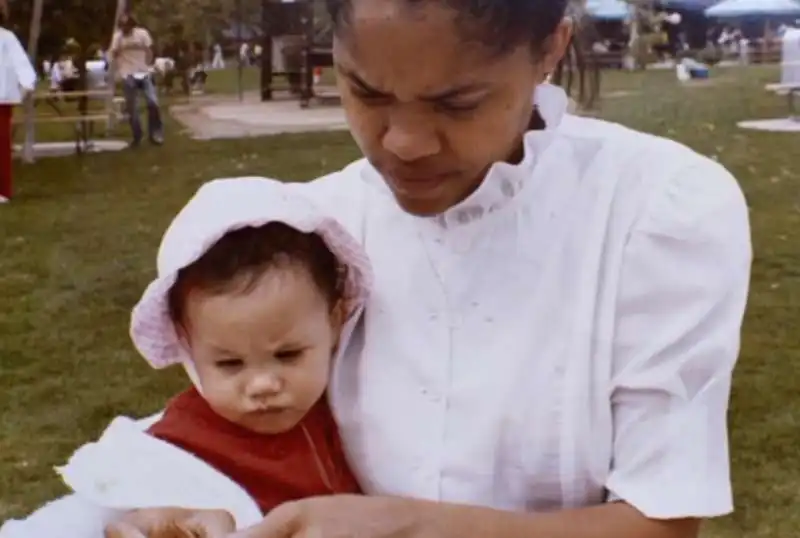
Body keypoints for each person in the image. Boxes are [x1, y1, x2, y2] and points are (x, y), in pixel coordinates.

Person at [117, 0, 753, 536]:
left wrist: (406, 527)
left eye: (457, 102)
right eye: (366, 92)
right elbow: (241, 430)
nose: (403, 143)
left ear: (549, 49)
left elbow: (661, 519)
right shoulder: (311, 234)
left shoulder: (656, 208)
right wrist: (186, 506)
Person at [0, 179, 370, 538]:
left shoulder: (342, 413)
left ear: (334, 323)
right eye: (229, 364)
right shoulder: (174, 446)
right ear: (188, 347)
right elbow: (78, 516)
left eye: (288, 355)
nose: (263, 384)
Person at [110, 12, 163, 147]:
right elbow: (114, 54)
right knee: (132, 107)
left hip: (143, 72)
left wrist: (149, 64)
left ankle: (155, 133)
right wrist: (117, 71)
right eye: (122, 26)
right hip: (127, 73)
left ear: (132, 25)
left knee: (153, 102)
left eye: (127, 25)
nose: (125, 28)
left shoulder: (142, 34)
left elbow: (149, 50)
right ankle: (137, 135)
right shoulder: (118, 38)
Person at [0, 9, 36, 203]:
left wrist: (25, 86)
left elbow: (21, 64)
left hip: (2, 99)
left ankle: (3, 190)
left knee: (1, 144)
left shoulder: (7, 38)